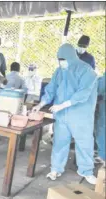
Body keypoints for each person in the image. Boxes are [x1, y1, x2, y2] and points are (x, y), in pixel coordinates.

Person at [32, 43, 98, 185]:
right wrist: (40, 104)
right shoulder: (59, 71)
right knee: (59, 142)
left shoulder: (87, 71)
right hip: (62, 115)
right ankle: (56, 168)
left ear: (71, 57)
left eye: (63, 58)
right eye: (59, 59)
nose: (61, 61)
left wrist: (63, 104)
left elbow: (84, 92)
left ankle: (86, 171)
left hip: (80, 115)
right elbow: (51, 89)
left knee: (84, 143)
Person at [95, 72, 105, 164]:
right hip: (102, 109)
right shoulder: (100, 80)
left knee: (101, 132)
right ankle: (102, 155)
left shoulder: (101, 81)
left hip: (103, 111)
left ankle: (102, 156)